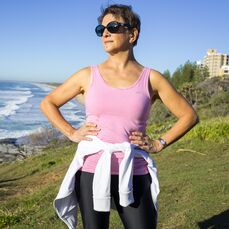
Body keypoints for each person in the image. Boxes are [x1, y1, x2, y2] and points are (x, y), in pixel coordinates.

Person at [40, 4, 198, 229]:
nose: (105, 33)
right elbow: (48, 103)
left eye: (113, 27)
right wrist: (72, 133)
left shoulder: (152, 78)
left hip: (134, 170)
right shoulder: (87, 75)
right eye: (100, 29)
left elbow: (189, 116)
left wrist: (159, 143)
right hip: (92, 170)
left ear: (132, 34)